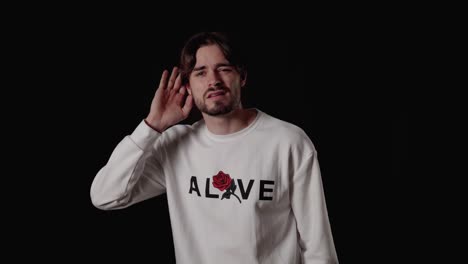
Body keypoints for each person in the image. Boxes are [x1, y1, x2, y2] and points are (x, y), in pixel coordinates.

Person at [90, 32, 339, 264]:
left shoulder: (288, 142)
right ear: (187, 86)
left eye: (224, 69)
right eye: (200, 72)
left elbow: (318, 249)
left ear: (242, 76)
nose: (214, 81)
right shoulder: (174, 145)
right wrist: (152, 126)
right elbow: (105, 196)